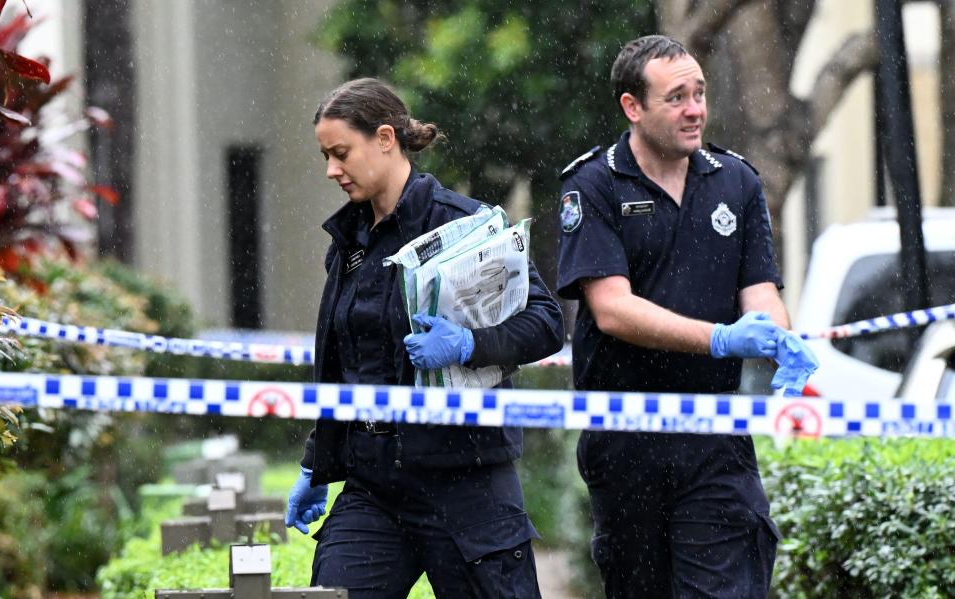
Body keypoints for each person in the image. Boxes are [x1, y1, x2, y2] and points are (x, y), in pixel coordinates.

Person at [555, 36, 818, 598]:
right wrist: (721, 339)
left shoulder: (737, 181)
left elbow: (760, 291)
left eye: (699, 93)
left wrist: (775, 335)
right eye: (676, 97)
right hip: (626, 437)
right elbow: (612, 310)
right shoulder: (593, 184)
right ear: (633, 107)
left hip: (714, 436)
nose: (696, 108)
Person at [284, 77, 564, 598]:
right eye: (325, 155)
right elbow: (344, 363)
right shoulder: (349, 242)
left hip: (467, 481)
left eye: (341, 153)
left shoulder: (467, 226)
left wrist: (469, 344)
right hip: (374, 485)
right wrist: (317, 461)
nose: (331, 170)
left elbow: (547, 323)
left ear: (386, 138)